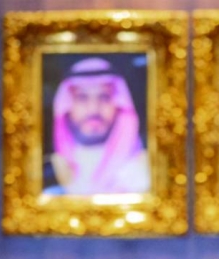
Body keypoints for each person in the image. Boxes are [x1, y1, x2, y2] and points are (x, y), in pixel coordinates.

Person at [43, 57, 149, 196]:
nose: (93, 109)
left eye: (104, 97)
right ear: (67, 105)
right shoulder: (49, 169)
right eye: (82, 98)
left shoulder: (145, 168)